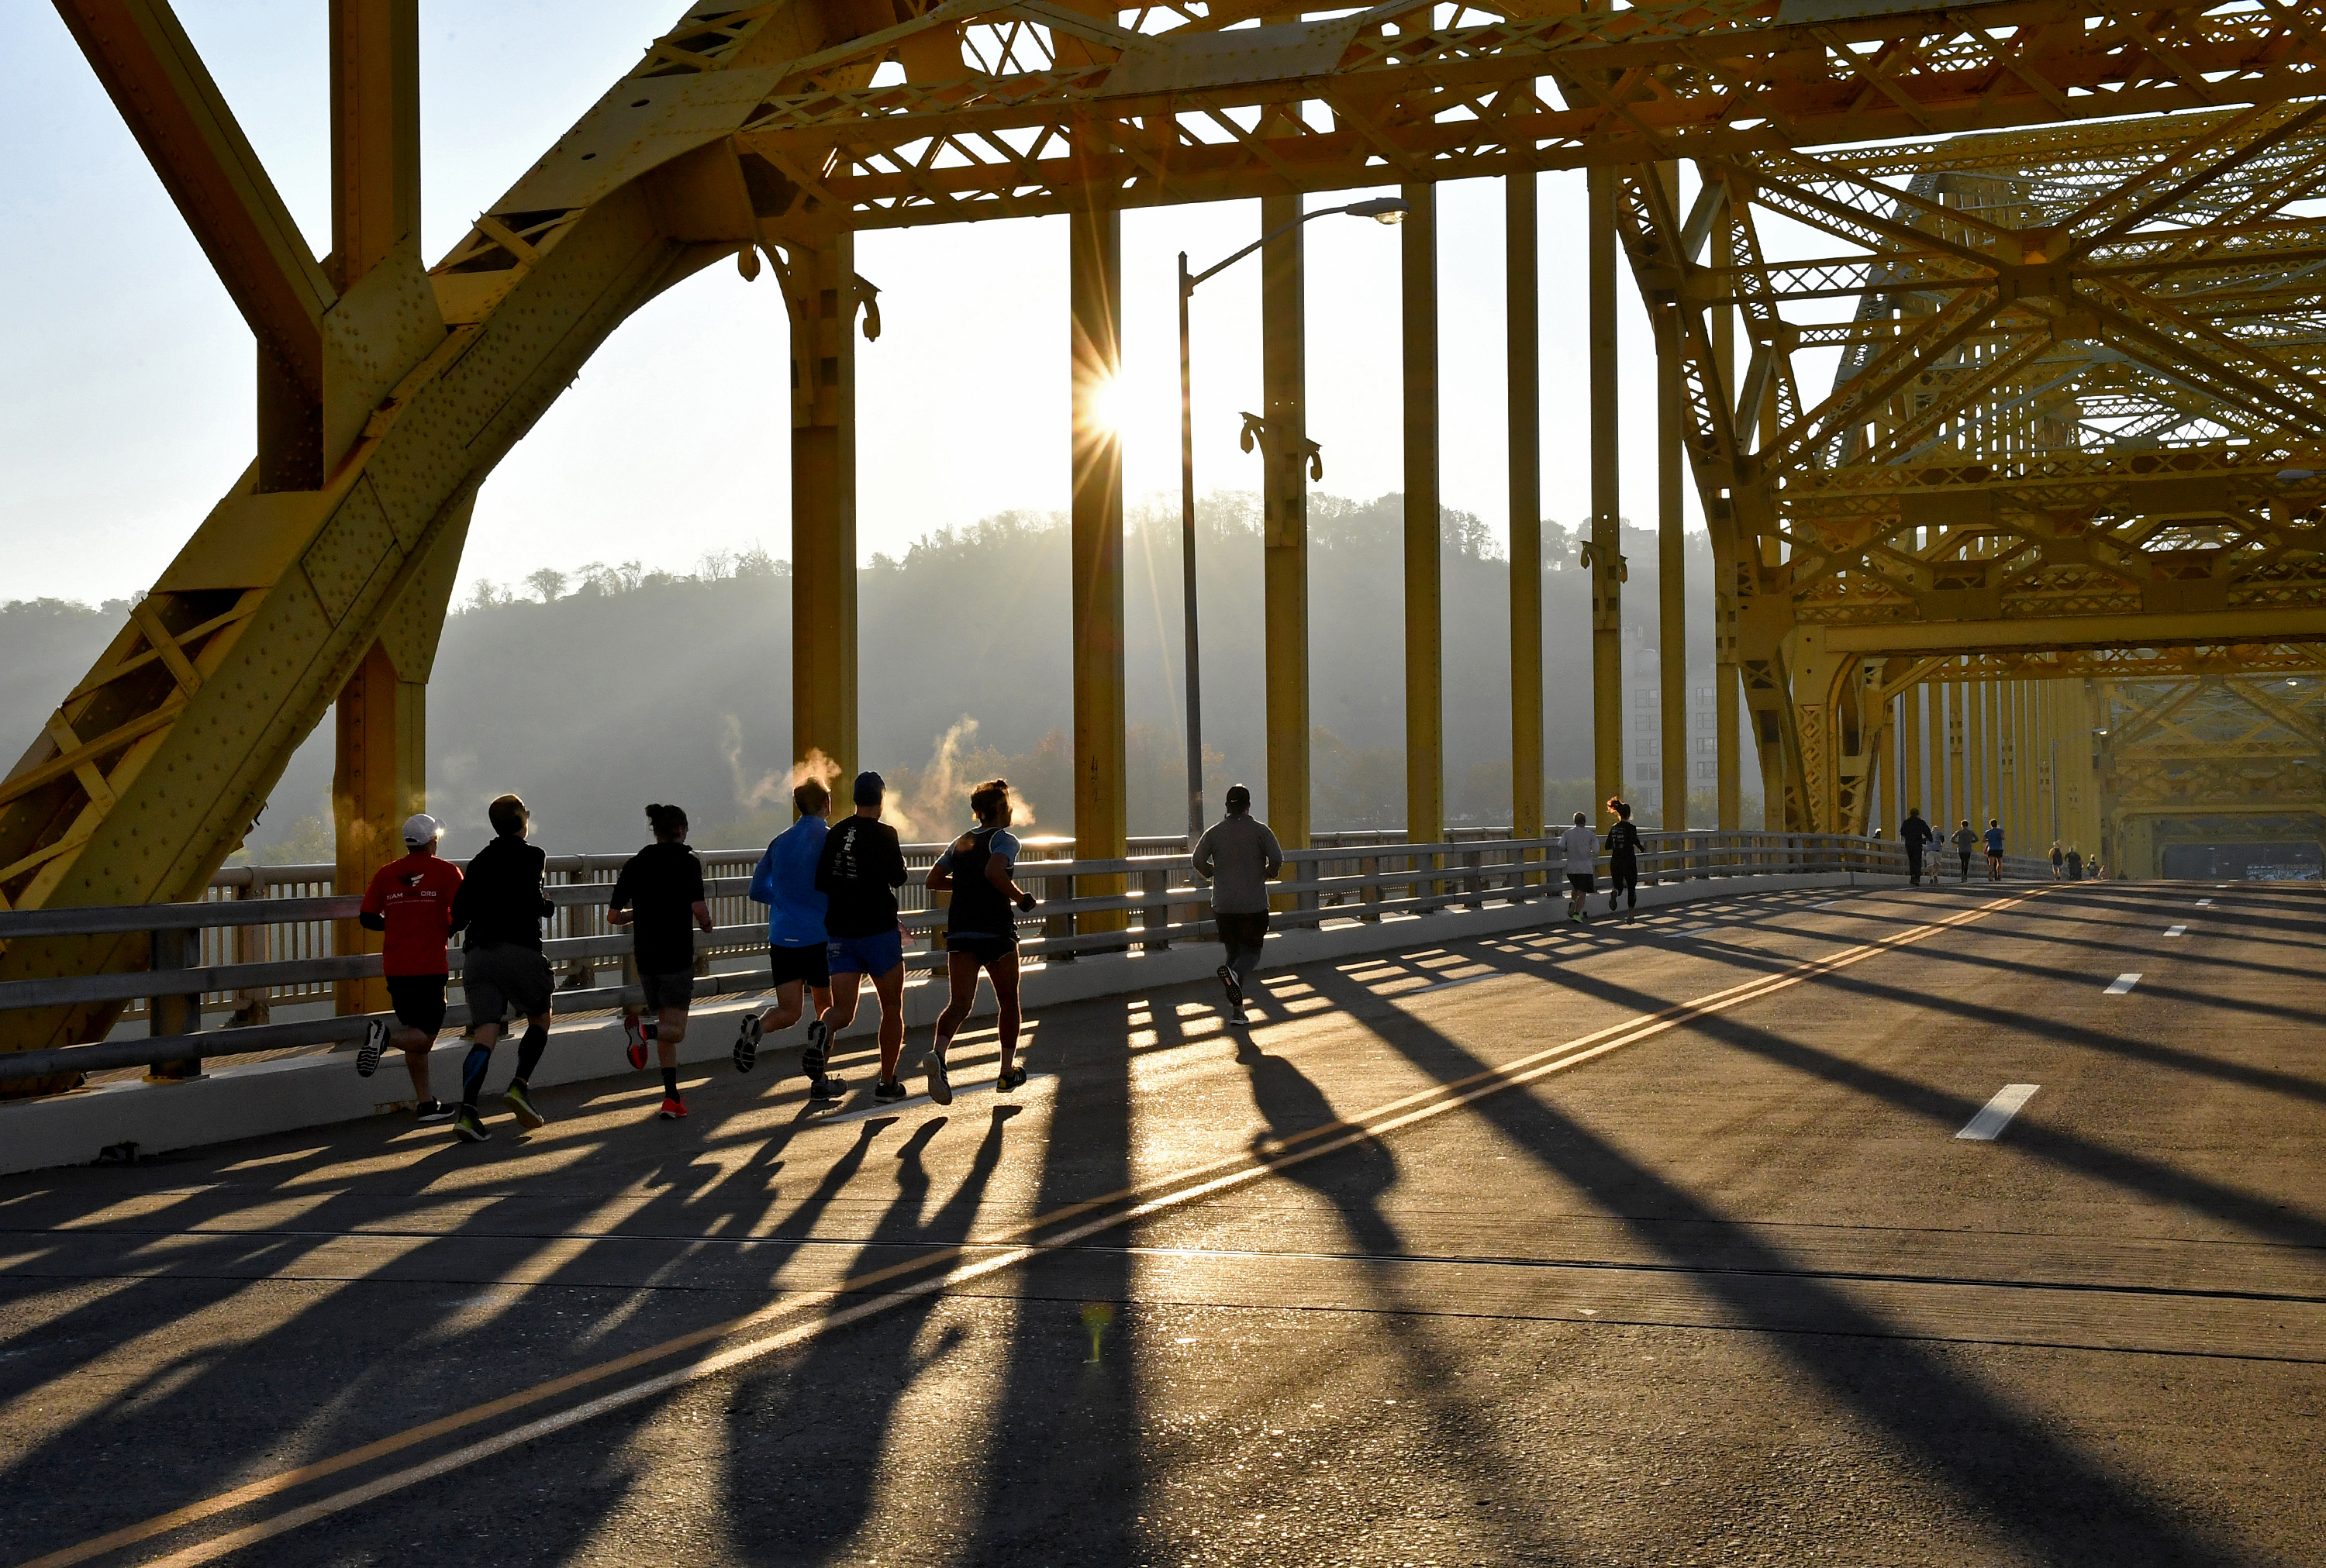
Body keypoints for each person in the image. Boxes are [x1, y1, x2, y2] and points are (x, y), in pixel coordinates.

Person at [447, 794, 558, 1143]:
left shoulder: (479, 861)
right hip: (518, 948)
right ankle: (519, 1085)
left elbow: (459, 914)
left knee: (486, 1031)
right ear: (523, 820)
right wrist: (546, 906)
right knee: (541, 1015)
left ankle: (467, 1112)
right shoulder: (533, 855)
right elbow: (531, 895)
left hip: (479, 955)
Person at [925, 778, 1040, 1100]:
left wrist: (963, 886)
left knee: (959, 1004)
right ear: (1001, 808)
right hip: (996, 933)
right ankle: (1006, 1073)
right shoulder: (1006, 841)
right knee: (1008, 1002)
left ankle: (939, 1055)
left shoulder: (960, 842)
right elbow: (994, 872)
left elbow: (933, 880)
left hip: (961, 931)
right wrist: (1019, 897)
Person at [736, 777, 844, 1098]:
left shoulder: (780, 841)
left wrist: (784, 900)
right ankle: (819, 1080)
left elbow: (756, 890)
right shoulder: (829, 839)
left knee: (789, 1011)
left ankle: (758, 1028)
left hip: (783, 937)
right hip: (820, 937)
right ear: (826, 804)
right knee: (827, 1010)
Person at [609, 803, 713, 1121]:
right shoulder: (687, 863)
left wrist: (638, 913)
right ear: (681, 831)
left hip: (647, 959)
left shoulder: (635, 864)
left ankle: (672, 1099)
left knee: (667, 1027)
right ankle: (644, 1031)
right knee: (676, 1030)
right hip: (676, 955)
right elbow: (698, 908)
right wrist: (708, 925)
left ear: (655, 831)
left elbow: (614, 917)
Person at [355, 814, 461, 1125]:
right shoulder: (446, 872)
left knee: (414, 1032)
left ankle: (426, 1103)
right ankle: (384, 1036)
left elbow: (367, 917)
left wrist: (398, 923)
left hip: (396, 965)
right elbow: (463, 910)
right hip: (429, 964)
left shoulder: (387, 873)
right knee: (425, 1038)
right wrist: (447, 928)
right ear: (433, 841)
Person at [814, 771, 911, 1102]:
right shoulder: (885, 834)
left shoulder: (836, 832)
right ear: (881, 800)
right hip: (878, 932)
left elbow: (823, 881)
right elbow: (898, 878)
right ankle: (887, 1084)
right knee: (892, 1007)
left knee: (840, 1010)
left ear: (855, 799)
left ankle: (821, 1048)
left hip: (840, 932)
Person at [1192, 781, 1284, 1026]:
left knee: (1233, 955)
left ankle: (1238, 1012)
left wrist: (1211, 872)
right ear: (1248, 806)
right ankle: (1234, 978)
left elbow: (1197, 859)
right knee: (1251, 954)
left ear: (1227, 807)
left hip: (1223, 905)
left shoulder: (1215, 832)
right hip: (1253, 905)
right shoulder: (1260, 831)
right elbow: (1277, 858)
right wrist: (1269, 872)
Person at [1603, 798, 1644, 922]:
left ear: (1619, 814)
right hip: (1629, 860)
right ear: (1629, 814)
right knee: (1631, 888)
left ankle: (1615, 892)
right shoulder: (1631, 828)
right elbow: (1634, 840)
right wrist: (1641, 848)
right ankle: (1630, 916)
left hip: (1616, 860)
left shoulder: (1614, 828)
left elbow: (1607, 846)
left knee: (1618, 885)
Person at [1561, 810, 1598, 923]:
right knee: (1583, 892)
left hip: (1571, 867)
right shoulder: (1590, 835)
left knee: (1576, 887)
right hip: (1585, 867)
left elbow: (1561, 846)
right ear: (1585, 822)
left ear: (1574, 821)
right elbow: (1596, 850)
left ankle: (1572, 901)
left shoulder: (1567, 833)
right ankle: (1577, 914)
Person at [1900, 806, 1933, 886]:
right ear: (1918, 814)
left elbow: (1902, 832)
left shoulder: (1906, 822)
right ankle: (1917, 877)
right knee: (1918, 860)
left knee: (1911, 860)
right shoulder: (1921, 822)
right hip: (1918, 843)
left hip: (1909, 844)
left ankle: (1913, 876)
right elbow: (1927, 832)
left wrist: (1908, 836)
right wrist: (1930, 839)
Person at [1952, 818, 1978, 882]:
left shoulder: (1959, 832)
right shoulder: (1971, 832)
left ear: (1962, 825)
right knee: (1966, 862)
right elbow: (1977, 839)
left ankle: (1962, 876)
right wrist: (1971, 841)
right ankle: (1965, 876)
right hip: (1968, 849)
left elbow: (1952, 839)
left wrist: (1958, 843)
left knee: (1962, 862)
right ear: (1968, 825)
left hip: (1961, 849)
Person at [1983, 818, 2006, 882]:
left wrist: (1989, 839)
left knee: (1991, 863)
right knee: (1999, 862)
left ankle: (1991, 875)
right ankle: (1999, 875)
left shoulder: (1988, 832)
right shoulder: (2000, 831)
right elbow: (2003, 838)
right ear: (1997, 824)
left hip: (1991, 849)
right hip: (1999, 848)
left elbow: (1983, 840)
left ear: (1991, 825)